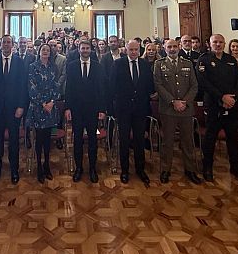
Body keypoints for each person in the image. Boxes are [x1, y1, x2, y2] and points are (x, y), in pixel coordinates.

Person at [196, 34, 238, 183]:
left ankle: (235, 167)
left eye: (221, 42)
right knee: (210, 138)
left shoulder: (230, 60)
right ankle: (207, 167)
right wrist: (222, 97)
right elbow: (203, 83)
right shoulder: (203, 60)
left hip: (231, 105)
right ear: (209, 44)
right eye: (215, 42)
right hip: (213, 105)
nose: (218, 44)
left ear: (224, 44)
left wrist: (232, 98)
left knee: (232, 137)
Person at [154, 39, 201, 184]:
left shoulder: (188, 63)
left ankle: (190, 170)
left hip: (186, 109)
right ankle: (165, 169)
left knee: (188, 141)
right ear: (164, 48)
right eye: (169, 47)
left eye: (175, 46)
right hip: (168, 109)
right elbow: (158, 85)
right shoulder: (159, 64)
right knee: (167, 141)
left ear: (179, 47)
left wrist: (184, 102)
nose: (172, 49)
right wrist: (173, 101)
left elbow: (194, 86)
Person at [0, 35, 28, 185]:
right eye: (4, 42)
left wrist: (21, 106)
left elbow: (23, 86)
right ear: (0, 45)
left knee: (14, 141)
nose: (6, 45)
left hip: (14, 109)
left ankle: (14, 170)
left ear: (12, 45)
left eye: (9, 42)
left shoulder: (19, 62)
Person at [111, 39, 153, 184]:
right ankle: (125, 170)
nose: (134, 52)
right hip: (123, 109)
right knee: (124, 140)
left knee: (139, 140)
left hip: (140, 109)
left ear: (140, 50)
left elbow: (149, 86)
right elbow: (112, 86)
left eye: (136, 50)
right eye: (131, 50)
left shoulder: (145, 65)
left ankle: (140, 169)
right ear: (126, 50)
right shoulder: (118, 64)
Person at [65, 40, 107, 183]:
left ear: (91, 50)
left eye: (87, 48)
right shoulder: (71, 66)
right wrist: (67, 108)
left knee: (93, 140)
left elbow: (101, 89)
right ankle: (79, 168)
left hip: (93, 110)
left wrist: (102, 109)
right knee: (77, 140)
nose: (85, 50)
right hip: (76, 109)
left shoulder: (97, 66)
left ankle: (93, 168)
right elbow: (69, 88)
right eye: (82, 48)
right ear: (78, 49)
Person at [27, 44, 61, 183]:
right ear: (39, 52)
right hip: (38, 107)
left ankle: (47, 165)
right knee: (39, 139)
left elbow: (56, 85)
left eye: (48, 50)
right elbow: (31, 87)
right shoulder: (32, 66)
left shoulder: (54, 67)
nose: (45, 52)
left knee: (48, 138)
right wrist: (43, 103)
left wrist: (52, 102)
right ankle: (39, 167)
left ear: (50, 52)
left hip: (51, 108)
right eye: (43, 50)